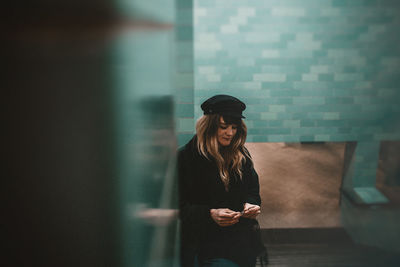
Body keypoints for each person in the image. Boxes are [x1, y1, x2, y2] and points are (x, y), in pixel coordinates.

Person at [178, 95, 267, 267]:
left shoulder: (241, 154)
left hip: (242, 244)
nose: (230, 133)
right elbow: (178, 205)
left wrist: (251, 204)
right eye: (223, 127)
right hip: (206, 246)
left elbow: (252, 190)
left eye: (234, 127)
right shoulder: (187, 157)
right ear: (209, 126)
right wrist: (209, 214)